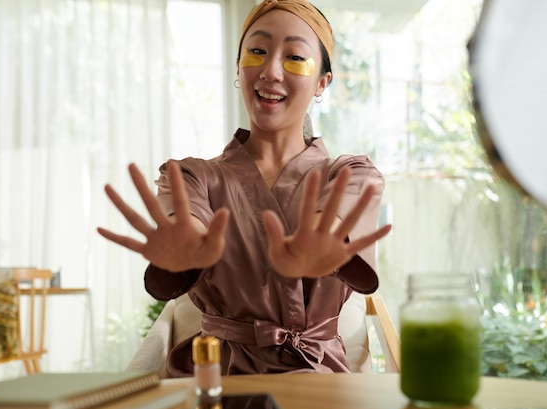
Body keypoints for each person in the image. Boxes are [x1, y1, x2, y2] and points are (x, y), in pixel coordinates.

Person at [97, 0, 392, 377]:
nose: (270, 71)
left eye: (295, 57)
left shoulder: (350, 175)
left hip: (320, 383)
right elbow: (188, 221)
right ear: (239, 69)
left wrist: (320, 243)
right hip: (215, 378)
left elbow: (332, 222)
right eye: (257, 52)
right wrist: (184, 246)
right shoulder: (191, 177)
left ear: (322, 82)